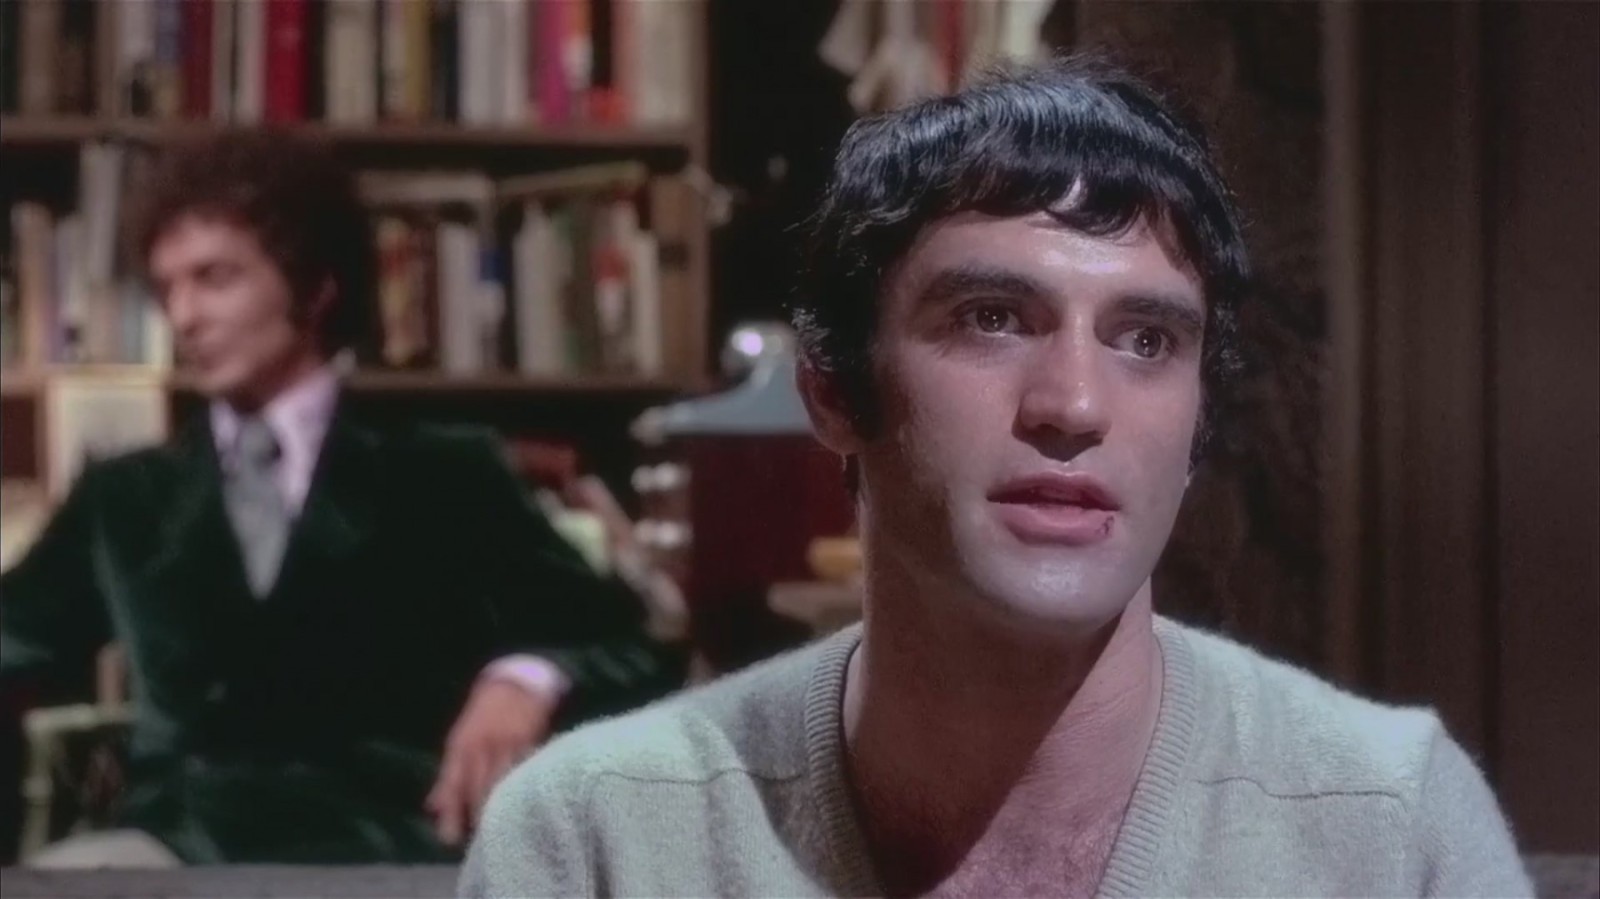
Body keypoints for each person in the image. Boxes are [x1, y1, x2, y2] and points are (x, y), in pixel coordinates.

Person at [461, 57, 1535, 898]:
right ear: (833, 391)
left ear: (1199, 416)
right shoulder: (599, 836)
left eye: (1146, 339)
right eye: (991, 319)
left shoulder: (1387, 820)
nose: (1073, 402)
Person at [0, 130, 686, 866]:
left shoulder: (445, 473)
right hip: (179, 851)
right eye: (169, 289)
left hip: (389, 849)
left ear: (315, 287)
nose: (185, 315)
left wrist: (524, 678)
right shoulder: (126, 496)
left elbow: (631, 645)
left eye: (215, 278)